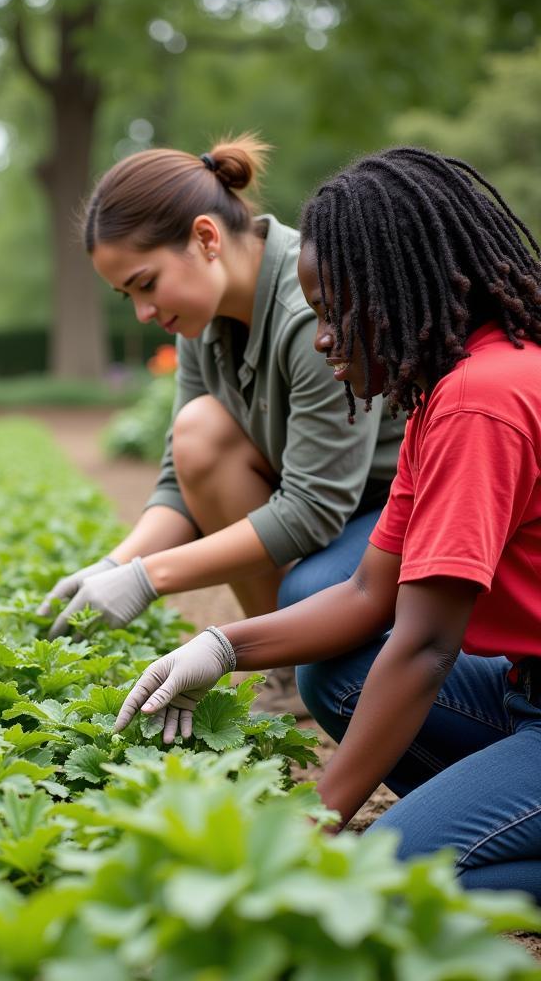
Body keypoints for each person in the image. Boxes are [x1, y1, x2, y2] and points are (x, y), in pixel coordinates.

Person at [114, 147, 541, 900]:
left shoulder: (482, 401)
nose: (321, 337)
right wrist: (219, 647)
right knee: (338, 674)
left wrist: (313, 823)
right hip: (521, 690)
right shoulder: (444, 389)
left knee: (390, 872)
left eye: (336, 311)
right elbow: (368, 599)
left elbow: (428, 643)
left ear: (403, 293)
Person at [39, 136, 404, 712]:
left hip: (389, 509)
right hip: (324, 507)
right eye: (126, 295)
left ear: (206, 238)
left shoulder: (308, 312)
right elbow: (180, 479)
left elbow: (314, 508)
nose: (143, 312)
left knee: (308, 591)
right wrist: (114, 564)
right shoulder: (202, 319)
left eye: (146, 283)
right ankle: (285, 665)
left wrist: (148, 577)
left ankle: (311, 647)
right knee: (198, 432)